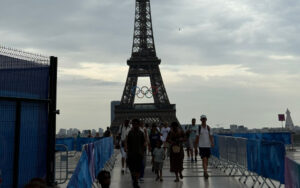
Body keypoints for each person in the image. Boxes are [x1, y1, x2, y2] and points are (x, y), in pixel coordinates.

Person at [125, 119, 145, 188]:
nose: (135, 125)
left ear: (138, 125)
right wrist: (127, 150)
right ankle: (135, 180)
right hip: (131, 154)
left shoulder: (141, 133)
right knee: (133, 169)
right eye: (134, 124)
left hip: (138, 154)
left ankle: (135, 181)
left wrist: (142, 152)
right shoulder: (130, 133)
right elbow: (127, 142)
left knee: (137, 169)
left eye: (136, 124)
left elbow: (143, 143)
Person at [196, 115, 214, 179]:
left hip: (207, 146)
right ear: (201, 120)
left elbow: (211, 136)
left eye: (204, 119)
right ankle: (205, 172)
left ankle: (205, 170)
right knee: (204, 159)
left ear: (206, 119)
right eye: (202, 119)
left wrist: (212, 143)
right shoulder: (199, 128)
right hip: (201, 146)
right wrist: (196, 145)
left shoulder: (209, 128)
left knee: (206, 161)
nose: (203, 120)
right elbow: (197, 137)